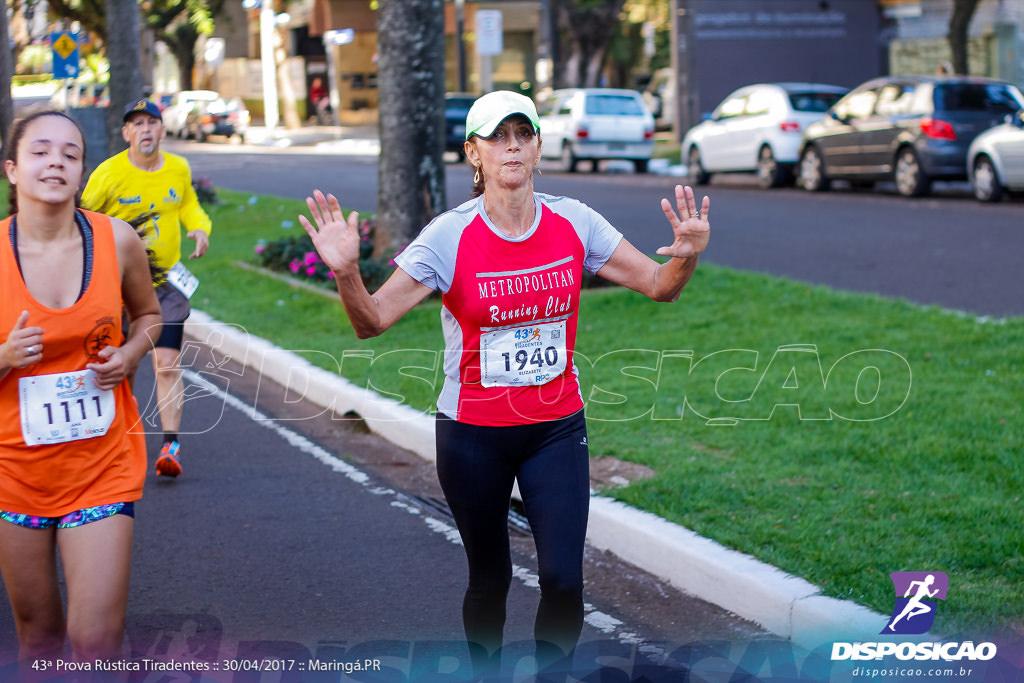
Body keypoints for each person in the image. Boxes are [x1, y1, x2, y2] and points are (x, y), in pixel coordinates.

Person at [298, 90, 710, 673]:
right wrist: (345, 272)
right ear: (474, 153)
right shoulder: (448, 236)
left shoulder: (576, 221)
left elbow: (660, 284)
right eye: (497, 137)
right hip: (473, 436)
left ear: (539, 145)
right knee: (490, 579)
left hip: (556, 428)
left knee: (564, 581)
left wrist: (687, 255)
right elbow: (372, 321)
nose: (512, 147)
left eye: (523, 134)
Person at [0, 110, 162, 663]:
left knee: (96, 644)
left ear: (82, 173)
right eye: (41, 152)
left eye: (70, 154)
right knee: (39, 639)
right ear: (12, 170)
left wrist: (131, 353)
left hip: (102, 465)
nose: (56, 163)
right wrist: (3, 358)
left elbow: (148, 315)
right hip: (13, 473)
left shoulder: (115, 241)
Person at [83, 99, 213, 478]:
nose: (145, 130)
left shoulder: (177, 168)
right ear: (126, 133)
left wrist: (200, 226)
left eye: (151, 123)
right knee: (125, 366)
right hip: (118, 287)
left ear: (162, 129)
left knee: (168, 363)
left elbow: (188, 203)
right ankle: (115, 442)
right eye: (136, 124)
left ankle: (170, 446)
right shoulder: (109, 175)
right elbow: (82, 221)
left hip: (167, 283)